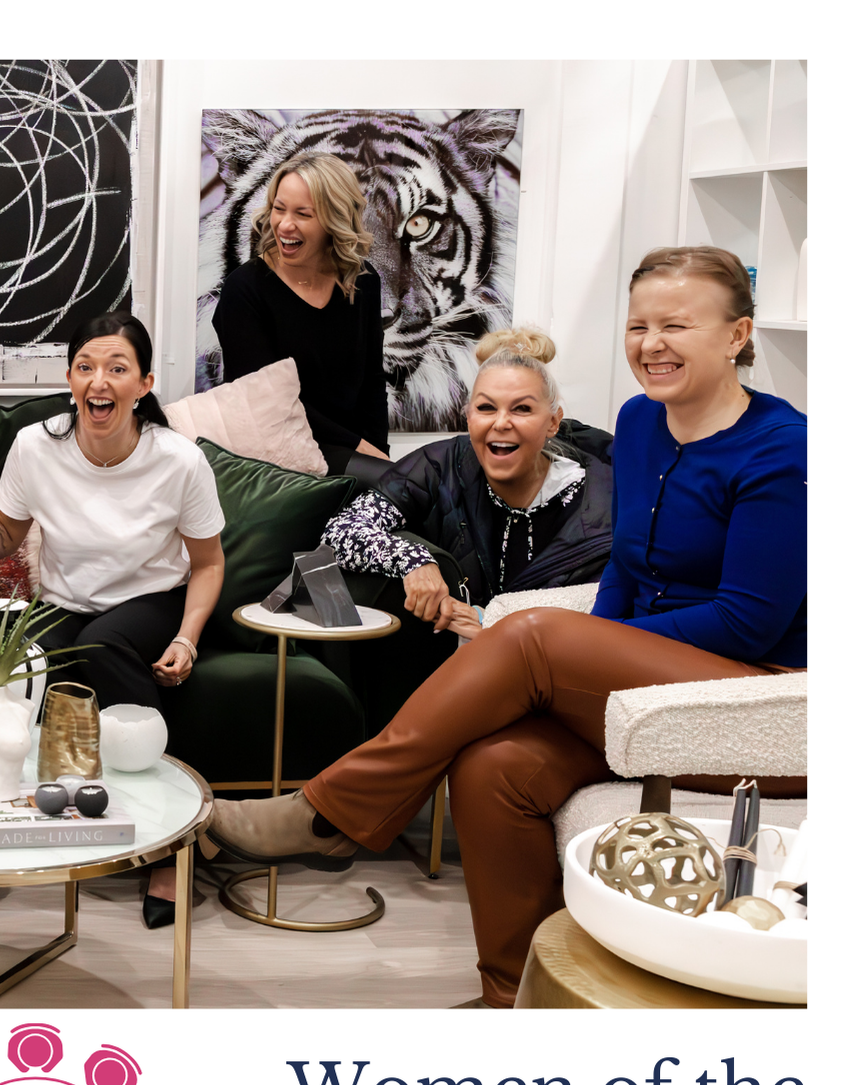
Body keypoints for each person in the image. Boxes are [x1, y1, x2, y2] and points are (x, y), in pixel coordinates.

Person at [206, 246, 806, 1008]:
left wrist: (589, 654)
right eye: (639, 326)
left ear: (737, 335)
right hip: (659, 689)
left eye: (676, 326)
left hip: (763, 707)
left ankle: (328, 811)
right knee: (491, 769)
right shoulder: (641, 425)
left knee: (534, 633)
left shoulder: (784, 450)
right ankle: (515, 1003)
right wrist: (597, 659)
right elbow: (625, 573)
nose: (651, 344)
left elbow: (747, 623)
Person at [0, 311, 228, 926]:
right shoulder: (35, 446)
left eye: (117, 368)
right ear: (70, 379)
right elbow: (4, 538)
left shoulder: (179, 460)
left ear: (144, 384)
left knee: (101, 644)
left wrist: (186, 638)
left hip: (153, 601)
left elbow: (207, 564)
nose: (100, 381)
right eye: (86, 367)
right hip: (65, 604)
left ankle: (172, 845)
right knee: (4, 663)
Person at [320, 328, 614, 637]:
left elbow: (613, 597)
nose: (501, 423)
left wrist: (493, 620)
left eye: (522, 409)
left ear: (553, 422)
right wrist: (413, 560)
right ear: (468, 416)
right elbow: (339, 532)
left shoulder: (602, 494)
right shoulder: (441, 465)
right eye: (486, 408)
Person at [211, 151, 389, 474]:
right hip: (275, 458)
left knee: (424, 479)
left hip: (349, 453)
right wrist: (363, 453)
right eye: (278, 209)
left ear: (335, 220)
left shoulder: (364, 281)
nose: (284, 224)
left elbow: (372, 383)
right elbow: (266, 402)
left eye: (303, 214)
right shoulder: (244, 289)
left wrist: (380, 455)